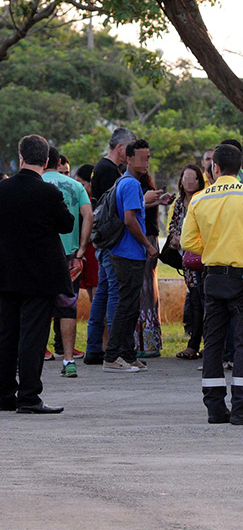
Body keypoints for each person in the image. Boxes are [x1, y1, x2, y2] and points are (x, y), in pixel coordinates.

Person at [180, 143, 243, 425]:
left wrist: (211, 246)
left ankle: (214, 408)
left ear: (215, 168)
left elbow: (187, 243)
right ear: (239, 169)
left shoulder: (199, 199)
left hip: (213, 277)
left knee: (213, 342)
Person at [0, 135, 74, 413]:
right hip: (40, 277)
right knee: (32, 336)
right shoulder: (49, 193)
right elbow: (66, 225)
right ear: (45, 161)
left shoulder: (2, 190)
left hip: (5, 274)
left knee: (6, 334)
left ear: (20, 158)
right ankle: (29, 396)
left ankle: (4, 394)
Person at [103, 139, 159, 373]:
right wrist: (147, 245)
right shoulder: (131, 184)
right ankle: (112, 357)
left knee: (131, 306)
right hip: (127, 254)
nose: (145, 162)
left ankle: (128, 354)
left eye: (147, 157)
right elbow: (129, 219)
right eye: (140, 158)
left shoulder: (127, 183)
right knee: (126, 307)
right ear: (128, 159)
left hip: (127, 253)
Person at [85, 127, 137, 365]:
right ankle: (113, 351)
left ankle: (95, 347)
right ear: (120, 148)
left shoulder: (101, 169)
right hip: (112, 241)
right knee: (114, 292)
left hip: (104, 240)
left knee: (103, 292)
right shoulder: (109, 172)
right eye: (132, 148)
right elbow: (119, 208)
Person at [42, 148, 93, 379]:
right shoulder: (75, 185)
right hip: (69, 256)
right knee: (67, 309)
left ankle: (29, 359)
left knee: (36, 307)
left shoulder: (35, 183)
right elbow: (89, 215)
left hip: (38, 256)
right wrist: (81, 250)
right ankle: (69, 360)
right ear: (58, 161)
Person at [134, 170, 174, 357]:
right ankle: (146, 343)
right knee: (146, 291)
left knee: (146, 291)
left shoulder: (140, 187)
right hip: (146, 239)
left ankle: (146, 343)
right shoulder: (142, 187)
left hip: (145, 240)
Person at [170, 164, 206, 360]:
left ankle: (206, 343)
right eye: (186, 178)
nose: (189, 182)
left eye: (193, 179)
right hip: (187, 259)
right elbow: (173, 224)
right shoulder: (179, 202)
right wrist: (176, 238)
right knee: (194, 299)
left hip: (203, 256)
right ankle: (193, 343)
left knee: (205, 299)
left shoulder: (205, 200)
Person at [74, 164, 99, 302]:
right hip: (85, 251)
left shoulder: (93, 202)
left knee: (96, 292)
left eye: (81, 184)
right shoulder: (82, 201)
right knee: (91, 292)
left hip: (92, 250)